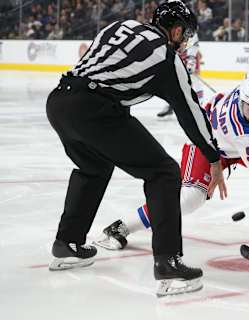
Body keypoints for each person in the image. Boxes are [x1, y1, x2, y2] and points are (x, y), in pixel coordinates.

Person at [45, 0, 226, 297]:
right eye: (185, 35)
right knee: (165, 172)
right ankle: (168, 263)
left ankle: (67, 244)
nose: (184, 42)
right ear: (177, 30)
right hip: (95, 109)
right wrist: (213, 157)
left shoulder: (122, 25)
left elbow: (103, 71)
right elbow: (191, 114)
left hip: (60, 101)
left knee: (94, 166)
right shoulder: (167, 58)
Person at [97, 71, 249, 250]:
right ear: (242, 100)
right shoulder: (248, 132)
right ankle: (123, 226)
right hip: (208, 145)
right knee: (189, 199)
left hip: (247, 140)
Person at [157, 32, 204, 118]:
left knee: (195, 81)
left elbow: (193, 48)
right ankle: (171, 105)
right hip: (179, 58)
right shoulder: (175, 28)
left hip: (190, 59)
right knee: (174, 83)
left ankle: (200, 105)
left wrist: (191, 62)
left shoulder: (191, 31)